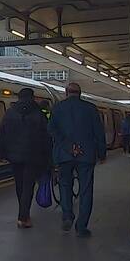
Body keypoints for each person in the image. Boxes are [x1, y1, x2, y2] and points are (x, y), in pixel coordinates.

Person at [48, 82, 106, 237]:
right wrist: (102, 154)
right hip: (86, 156)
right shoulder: (91, 109)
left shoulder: (57, 108)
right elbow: (99, 133)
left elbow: (52, 130)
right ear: (80, 93)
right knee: (86, 190)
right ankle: (81, 226)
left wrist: (68, 147)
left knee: (65, 186)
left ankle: (67, 215)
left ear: (66, 92)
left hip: (64, 155)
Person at [0, 87, 51, 229]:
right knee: (28, 185)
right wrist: (48, 157)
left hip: (14, 156)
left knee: (19, 185)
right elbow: (46, 137)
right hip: (33, 156)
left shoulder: (10, 113)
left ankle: (23, 213)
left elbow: (3, 134)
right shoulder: (39, 114)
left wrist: (1, 153)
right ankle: (23, 217)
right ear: (32, 97)